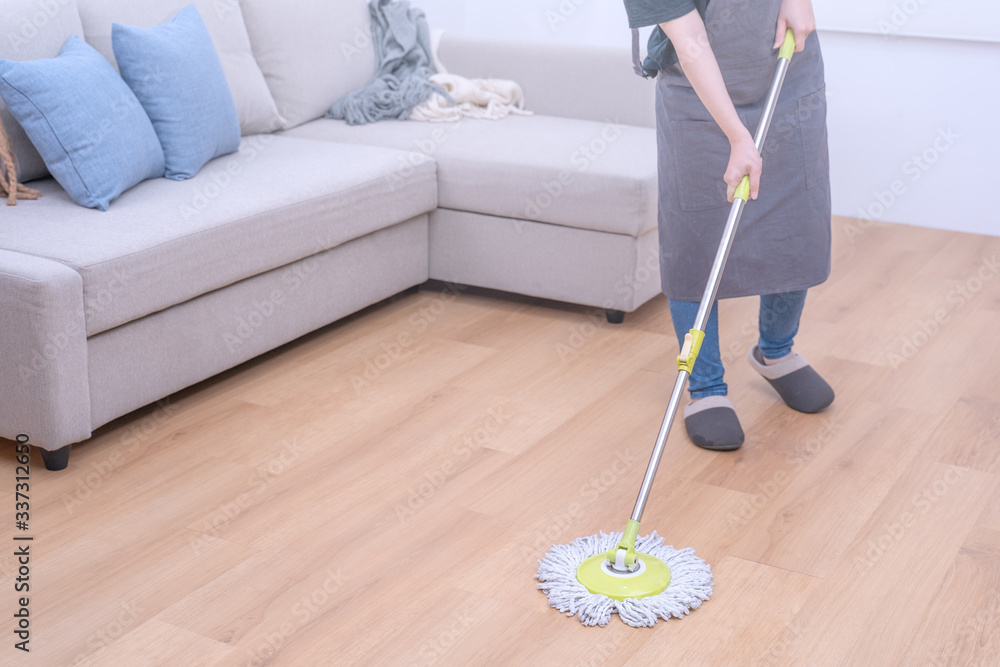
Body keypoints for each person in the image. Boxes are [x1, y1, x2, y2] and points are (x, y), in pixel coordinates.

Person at [623, 0, 835, 451]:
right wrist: (739, 137)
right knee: (694, 240)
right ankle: (706, 386)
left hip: (786, 70)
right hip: (698, 95)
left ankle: (776, 351)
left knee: (795, 223)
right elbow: (691, 40)